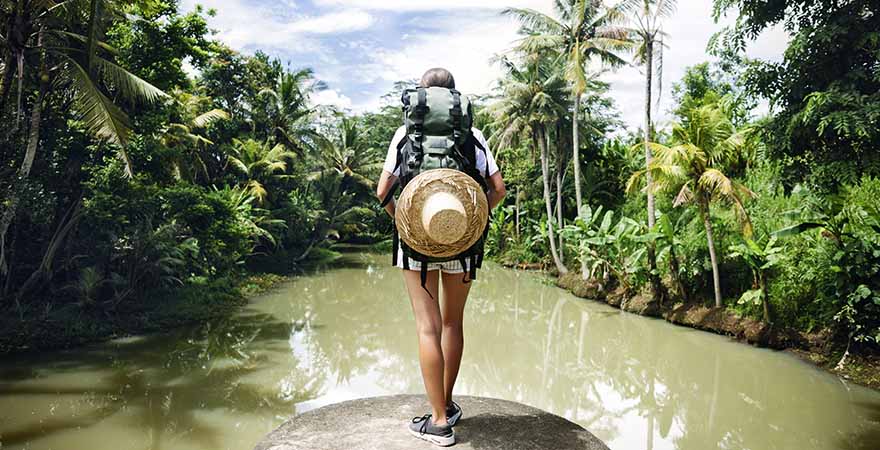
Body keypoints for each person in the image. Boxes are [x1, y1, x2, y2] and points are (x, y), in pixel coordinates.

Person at [375, 68, 506, 446]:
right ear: (453, 99)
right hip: (463, 240)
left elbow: (383, 189)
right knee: (452, 324)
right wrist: (476, 219)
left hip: (416, 244)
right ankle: (446, 405)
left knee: (427, 328)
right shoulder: (472, 135)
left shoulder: (406, 133)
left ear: (422, 96)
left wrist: (406, 220)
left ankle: (437, 423)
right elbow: (497, 188)